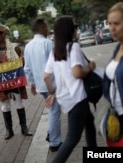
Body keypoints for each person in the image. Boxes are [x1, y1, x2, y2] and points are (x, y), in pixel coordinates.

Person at [43, 16, 97, 163]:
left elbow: (46, 76)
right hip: (78, 99)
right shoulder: (74, 47)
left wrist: (53, 92)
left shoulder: (55, 51)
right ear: (69, 30)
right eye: (75, 27)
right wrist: (90, 68)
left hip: (66, 99)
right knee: (72, 139)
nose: (76, 29)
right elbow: (77, 73)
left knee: (90, 124)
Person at [24, 18, 62, 152]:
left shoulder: (28, 46)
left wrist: (33, 83)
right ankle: (55, 142)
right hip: (51, 84)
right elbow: (57, 64)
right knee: (54, 111)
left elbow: (27, 68)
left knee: (52, 110)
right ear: (41, 28)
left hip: (40, 85)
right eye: (46, 27)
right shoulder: (47, 43)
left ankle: (51, 134)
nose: (47, 30)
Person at [0, 24, 32, 140]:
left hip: (14, 80)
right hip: (2, 83)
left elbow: (22, 63)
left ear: (4, 34)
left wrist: (21, 61)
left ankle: (24, 128)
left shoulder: (15, 48)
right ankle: (9, 130)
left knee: (19, 103)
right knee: (5, 106)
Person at [103, 1, 123, 145]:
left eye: (116, 23)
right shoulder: (118, 48)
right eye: (110, 24)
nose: (112, 28)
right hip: (116, 115)